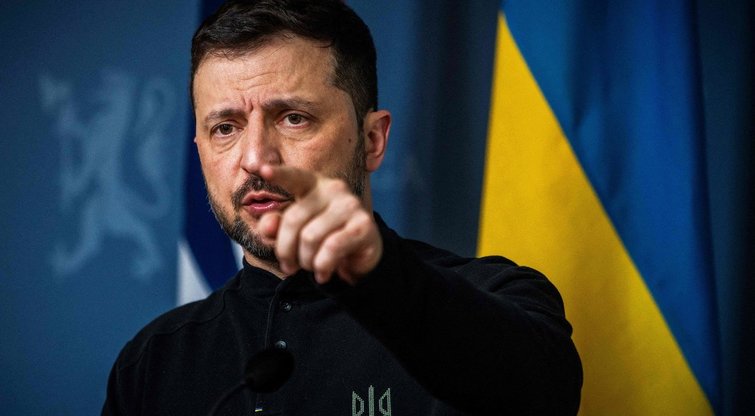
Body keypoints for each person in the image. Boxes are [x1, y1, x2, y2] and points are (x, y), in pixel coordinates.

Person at [102, 0, 582, 414]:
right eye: (225, 128)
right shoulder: (152, 363)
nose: (255, 159)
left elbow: (544, 394)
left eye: (293, 118)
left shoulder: (497, 294)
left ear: (372, 140)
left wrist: (377, 273)